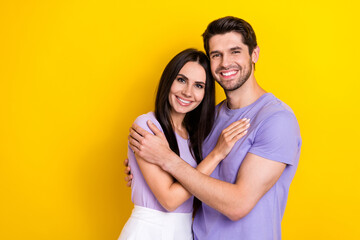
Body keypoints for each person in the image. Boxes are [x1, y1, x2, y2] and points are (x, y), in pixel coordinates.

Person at [126, 16, 302, 239]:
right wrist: (145, 175)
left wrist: (166, 159)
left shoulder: (276, 120)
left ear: (254, 54)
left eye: (235, 51)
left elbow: (238, 205)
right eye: (216, 55)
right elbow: (195, 183)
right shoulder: (208, 118)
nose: (225, 62)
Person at [119, 48, 250, 240]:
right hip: (148, 232)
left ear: (206, 93)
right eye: (181, 80)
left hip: (184, 231)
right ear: (168, 80)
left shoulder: (195, 136)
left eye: (198, 85)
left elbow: (197, 194)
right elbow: (170, 200)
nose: (188, 92)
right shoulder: (147, 125)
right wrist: (217, 154)